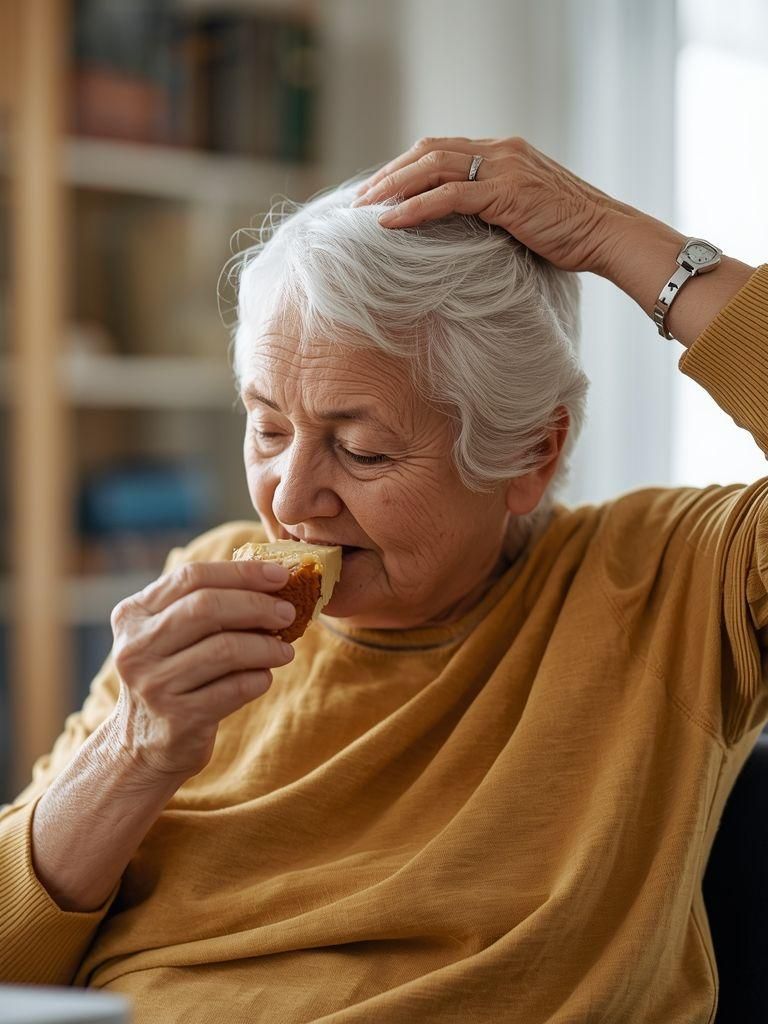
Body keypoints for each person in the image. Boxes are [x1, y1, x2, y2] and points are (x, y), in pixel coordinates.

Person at [1, 134, 766, 1023]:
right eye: (267, 428)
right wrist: (134, 753)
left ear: (531, 453)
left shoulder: (667, 584)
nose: (289, 499)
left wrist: (615, 236)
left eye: (360, 448)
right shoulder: (203, 585)